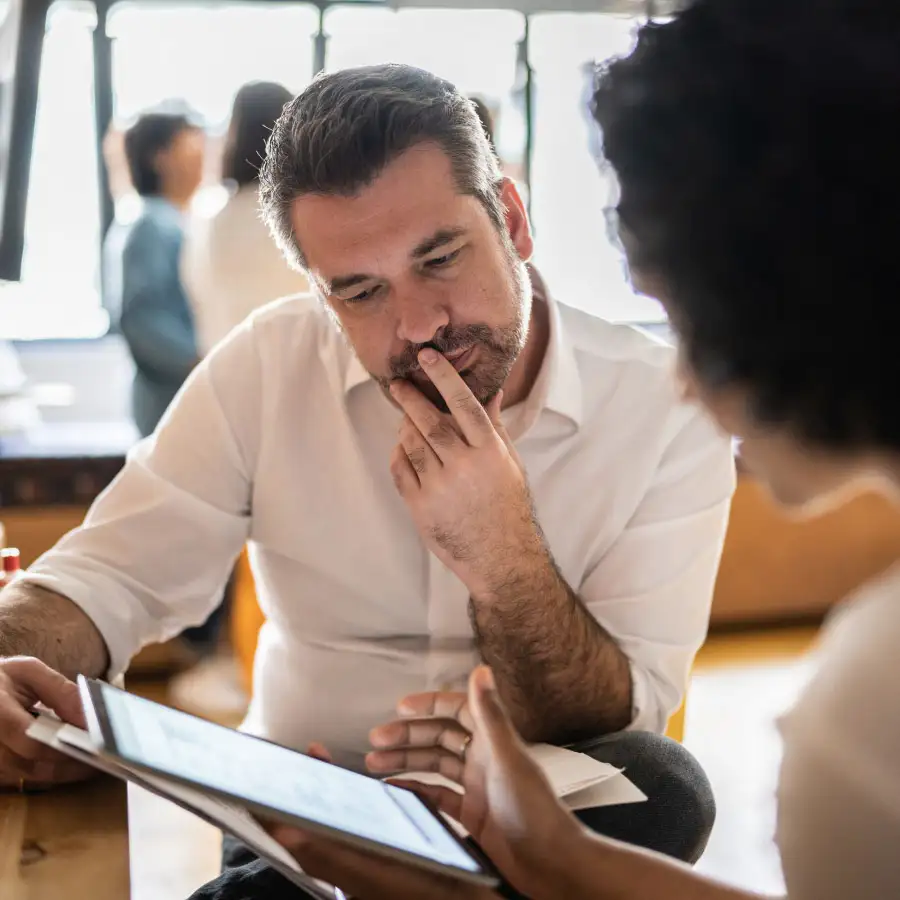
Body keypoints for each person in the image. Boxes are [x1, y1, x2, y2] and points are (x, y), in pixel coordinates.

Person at [0, 64, 733, 894]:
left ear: (514, 220)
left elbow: (619, 719)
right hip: (309, 806)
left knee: (667, 788)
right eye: (360, 291)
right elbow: (102, 578)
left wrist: (504, 557)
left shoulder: (667, 406)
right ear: (320, 291)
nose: (418, 326)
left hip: (533, 811)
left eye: (441, 257)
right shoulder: (268, 365)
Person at [265, 4, 900, 899]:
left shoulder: (868, 716)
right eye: (361, 289)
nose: (685, 383)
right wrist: (558, 863)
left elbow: (628, 711)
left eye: (693, 322)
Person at [182, 82, 309, 355]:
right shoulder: (302, 215)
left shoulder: (210, 219)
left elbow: (198, 299)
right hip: (297, 364)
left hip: (224, 366)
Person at [104, 111, 204, 438]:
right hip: (168, 400)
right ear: (160, 158)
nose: (202, 155)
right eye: (190, 146)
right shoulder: (150, 225)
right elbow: (141, 319)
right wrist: (200, 361)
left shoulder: (172, 221)